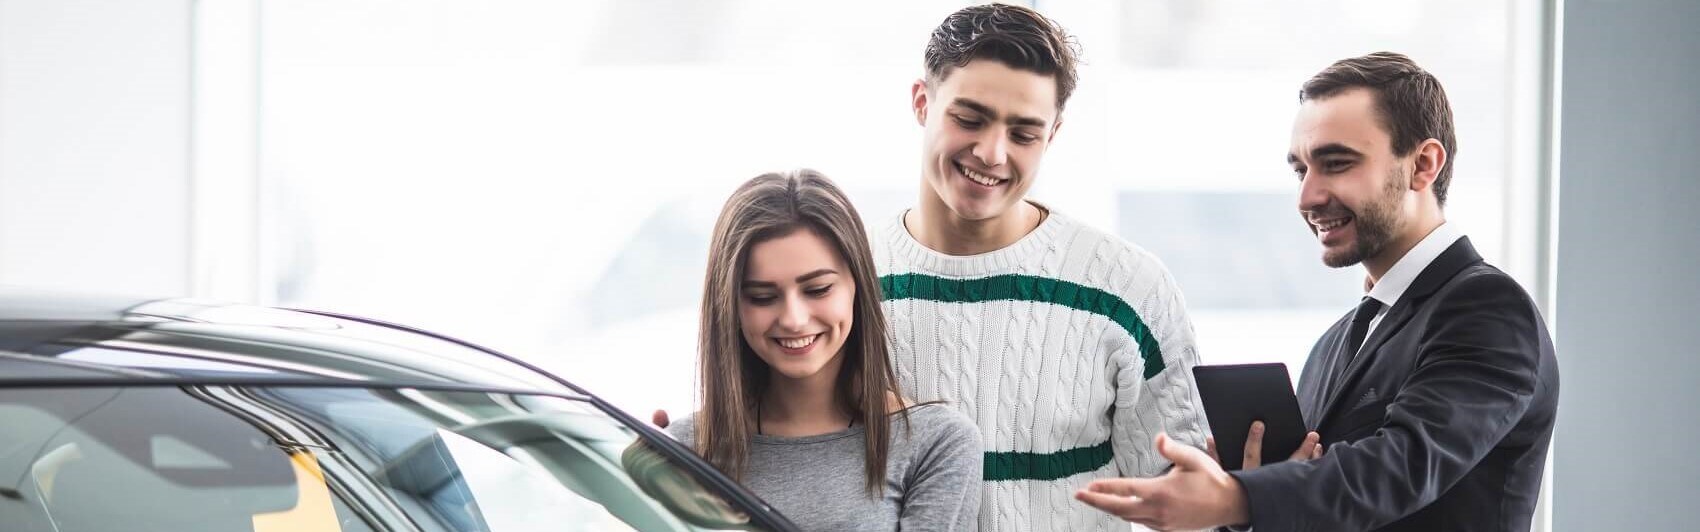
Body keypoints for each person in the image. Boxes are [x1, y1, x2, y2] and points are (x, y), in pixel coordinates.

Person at [1075, 52, 1560, 532]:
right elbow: (1327, 505)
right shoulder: (1335, 343)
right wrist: (1254, 489)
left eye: (1336, 163)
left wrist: (1238, 497)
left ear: (1423, 164)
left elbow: (1400, 467)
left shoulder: (1488, 310)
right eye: (1300, 170)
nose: (1307, 197)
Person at [874, 4, 1209, 531]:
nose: (991, 152)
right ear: (922, 103)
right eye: (969, 118)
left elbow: (1191, 499)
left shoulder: (1127, 286)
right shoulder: (841, 285)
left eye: (1024, 133)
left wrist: (1253, 493)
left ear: (1052, 135)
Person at [664, 170, 982, 531]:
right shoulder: (685, 451)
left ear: (857, 286)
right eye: (762, 297)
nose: (794, 319)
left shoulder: (935, 443)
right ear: (730, 307)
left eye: (817, 289)